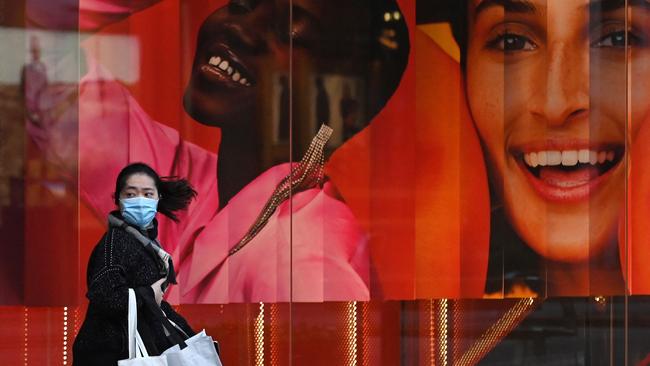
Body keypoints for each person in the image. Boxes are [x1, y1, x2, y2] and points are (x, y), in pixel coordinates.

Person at [25, 0, 410, 303]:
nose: (239, 28)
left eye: (290, 33)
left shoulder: (305, 263)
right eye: (242, 2)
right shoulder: (200, 191)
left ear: (345, 104)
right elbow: (35, 35)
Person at [73, 163, 197, 365]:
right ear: (118, 200)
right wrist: (148, 293)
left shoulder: (145, 242)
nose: (140, 201)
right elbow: (106, 296)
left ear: (158, 199)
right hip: (112, 352)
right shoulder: (116, 241)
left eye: (148, 194)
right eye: (131, 194)